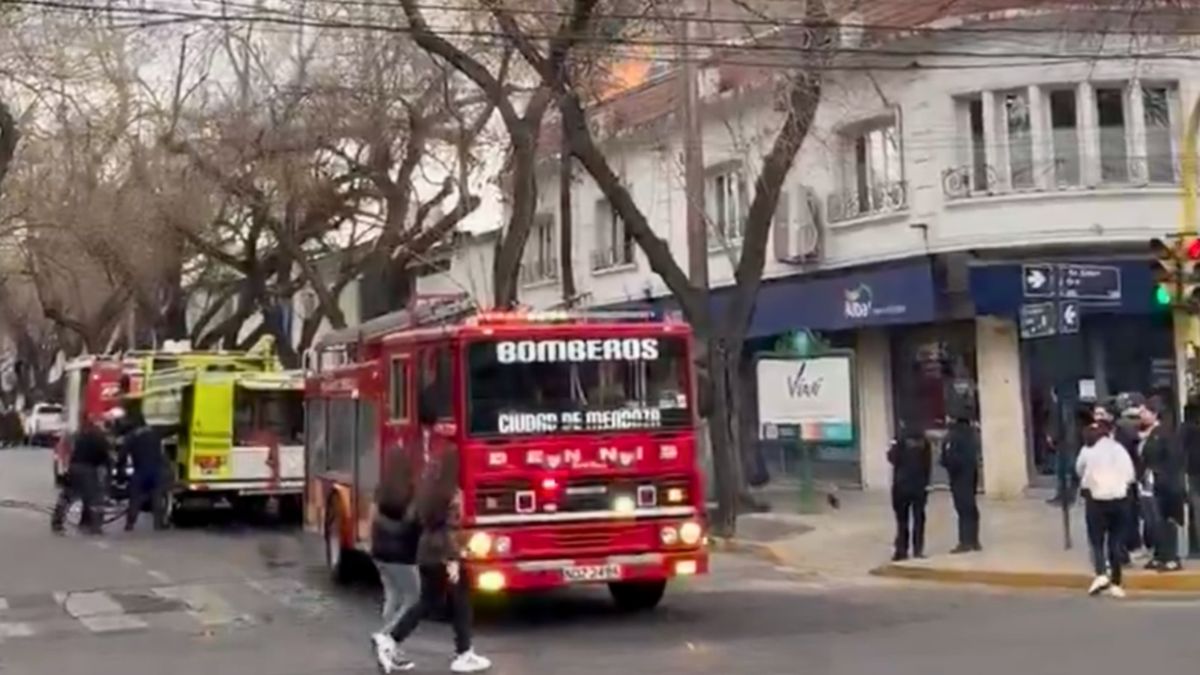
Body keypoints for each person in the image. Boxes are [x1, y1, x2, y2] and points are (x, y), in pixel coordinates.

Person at [386, 393, 491, 674]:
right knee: (459, 596)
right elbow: (441, 516)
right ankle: (463, 653)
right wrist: (453, 556)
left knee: (431, 599)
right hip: (440, 547)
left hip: (431, 546)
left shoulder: (434, 463)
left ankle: (390, 640)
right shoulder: (446, 467)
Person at [369, 444, 422, 673]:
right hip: (403, 554)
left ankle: (390, 651)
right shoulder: (411, 490)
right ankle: (386, 638)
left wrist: (373, 542)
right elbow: (413, 521)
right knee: (414, 598)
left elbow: (372, 518)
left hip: (379, 552)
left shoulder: (381, 489)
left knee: (392, 596)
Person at [1076, 418, 1135, 597]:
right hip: (1119, 499)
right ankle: (1116, 581)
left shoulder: (1087, 450)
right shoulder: (1118, 449)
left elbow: (1079, 469)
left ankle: (1101, 573)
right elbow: (1130, 474)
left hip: (1096, 499)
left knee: (1096, 540)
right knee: (1115, 541)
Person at [1139, 397, 1186, 572]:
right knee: (1155, 520)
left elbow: (1173, 458)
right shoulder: (1150, 432)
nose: (1141, 415)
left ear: (1154, 413)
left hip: (1164, 484)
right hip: (1151, 483)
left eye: (1145, 412)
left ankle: (1170, 557)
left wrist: (1162, 474)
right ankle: (1160, 555)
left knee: (1165, 521)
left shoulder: (1164, 433)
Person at [50, 417, 111, 535]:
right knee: (94, 498)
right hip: (88, 469)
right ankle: (94, 526)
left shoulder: (81, 436)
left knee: (67, 496)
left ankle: (57, 522)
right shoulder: (100, 438)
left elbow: (73, 451)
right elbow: (105, 457)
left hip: (74, 467)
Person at [118, 409, 168, 531]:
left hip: (140, 470)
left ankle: (130, 524)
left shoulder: (131, 436)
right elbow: (162, 452)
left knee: (135, 498)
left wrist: (120, 471)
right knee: (157, 497)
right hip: (156, 469)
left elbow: (122, 455)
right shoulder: (154, 433)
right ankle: (158, 523)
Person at [887, 427, 932, 561]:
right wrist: (926, 483)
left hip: (901, 486)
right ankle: (918, 549)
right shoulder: (925, 443)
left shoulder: (900, 441)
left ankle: (902, 550)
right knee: (919, 519)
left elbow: (892, 458)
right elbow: (928, 465)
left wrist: (892, 446)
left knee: (902, 520)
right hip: (919, 486)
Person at [941, 412, 981, 553]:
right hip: (971, 475)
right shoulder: (972, 434)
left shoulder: (952, 436)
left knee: (963, 509)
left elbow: (947, 457)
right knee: (971, 508)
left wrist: (949, 466)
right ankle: (974, 540)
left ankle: (965, 541)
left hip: (959, 477)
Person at [1181, 400, 1200, 558]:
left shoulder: (1185, 429)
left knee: (1196, 510)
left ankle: (1196, 547)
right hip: (1193, 472)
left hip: (1192, 472)